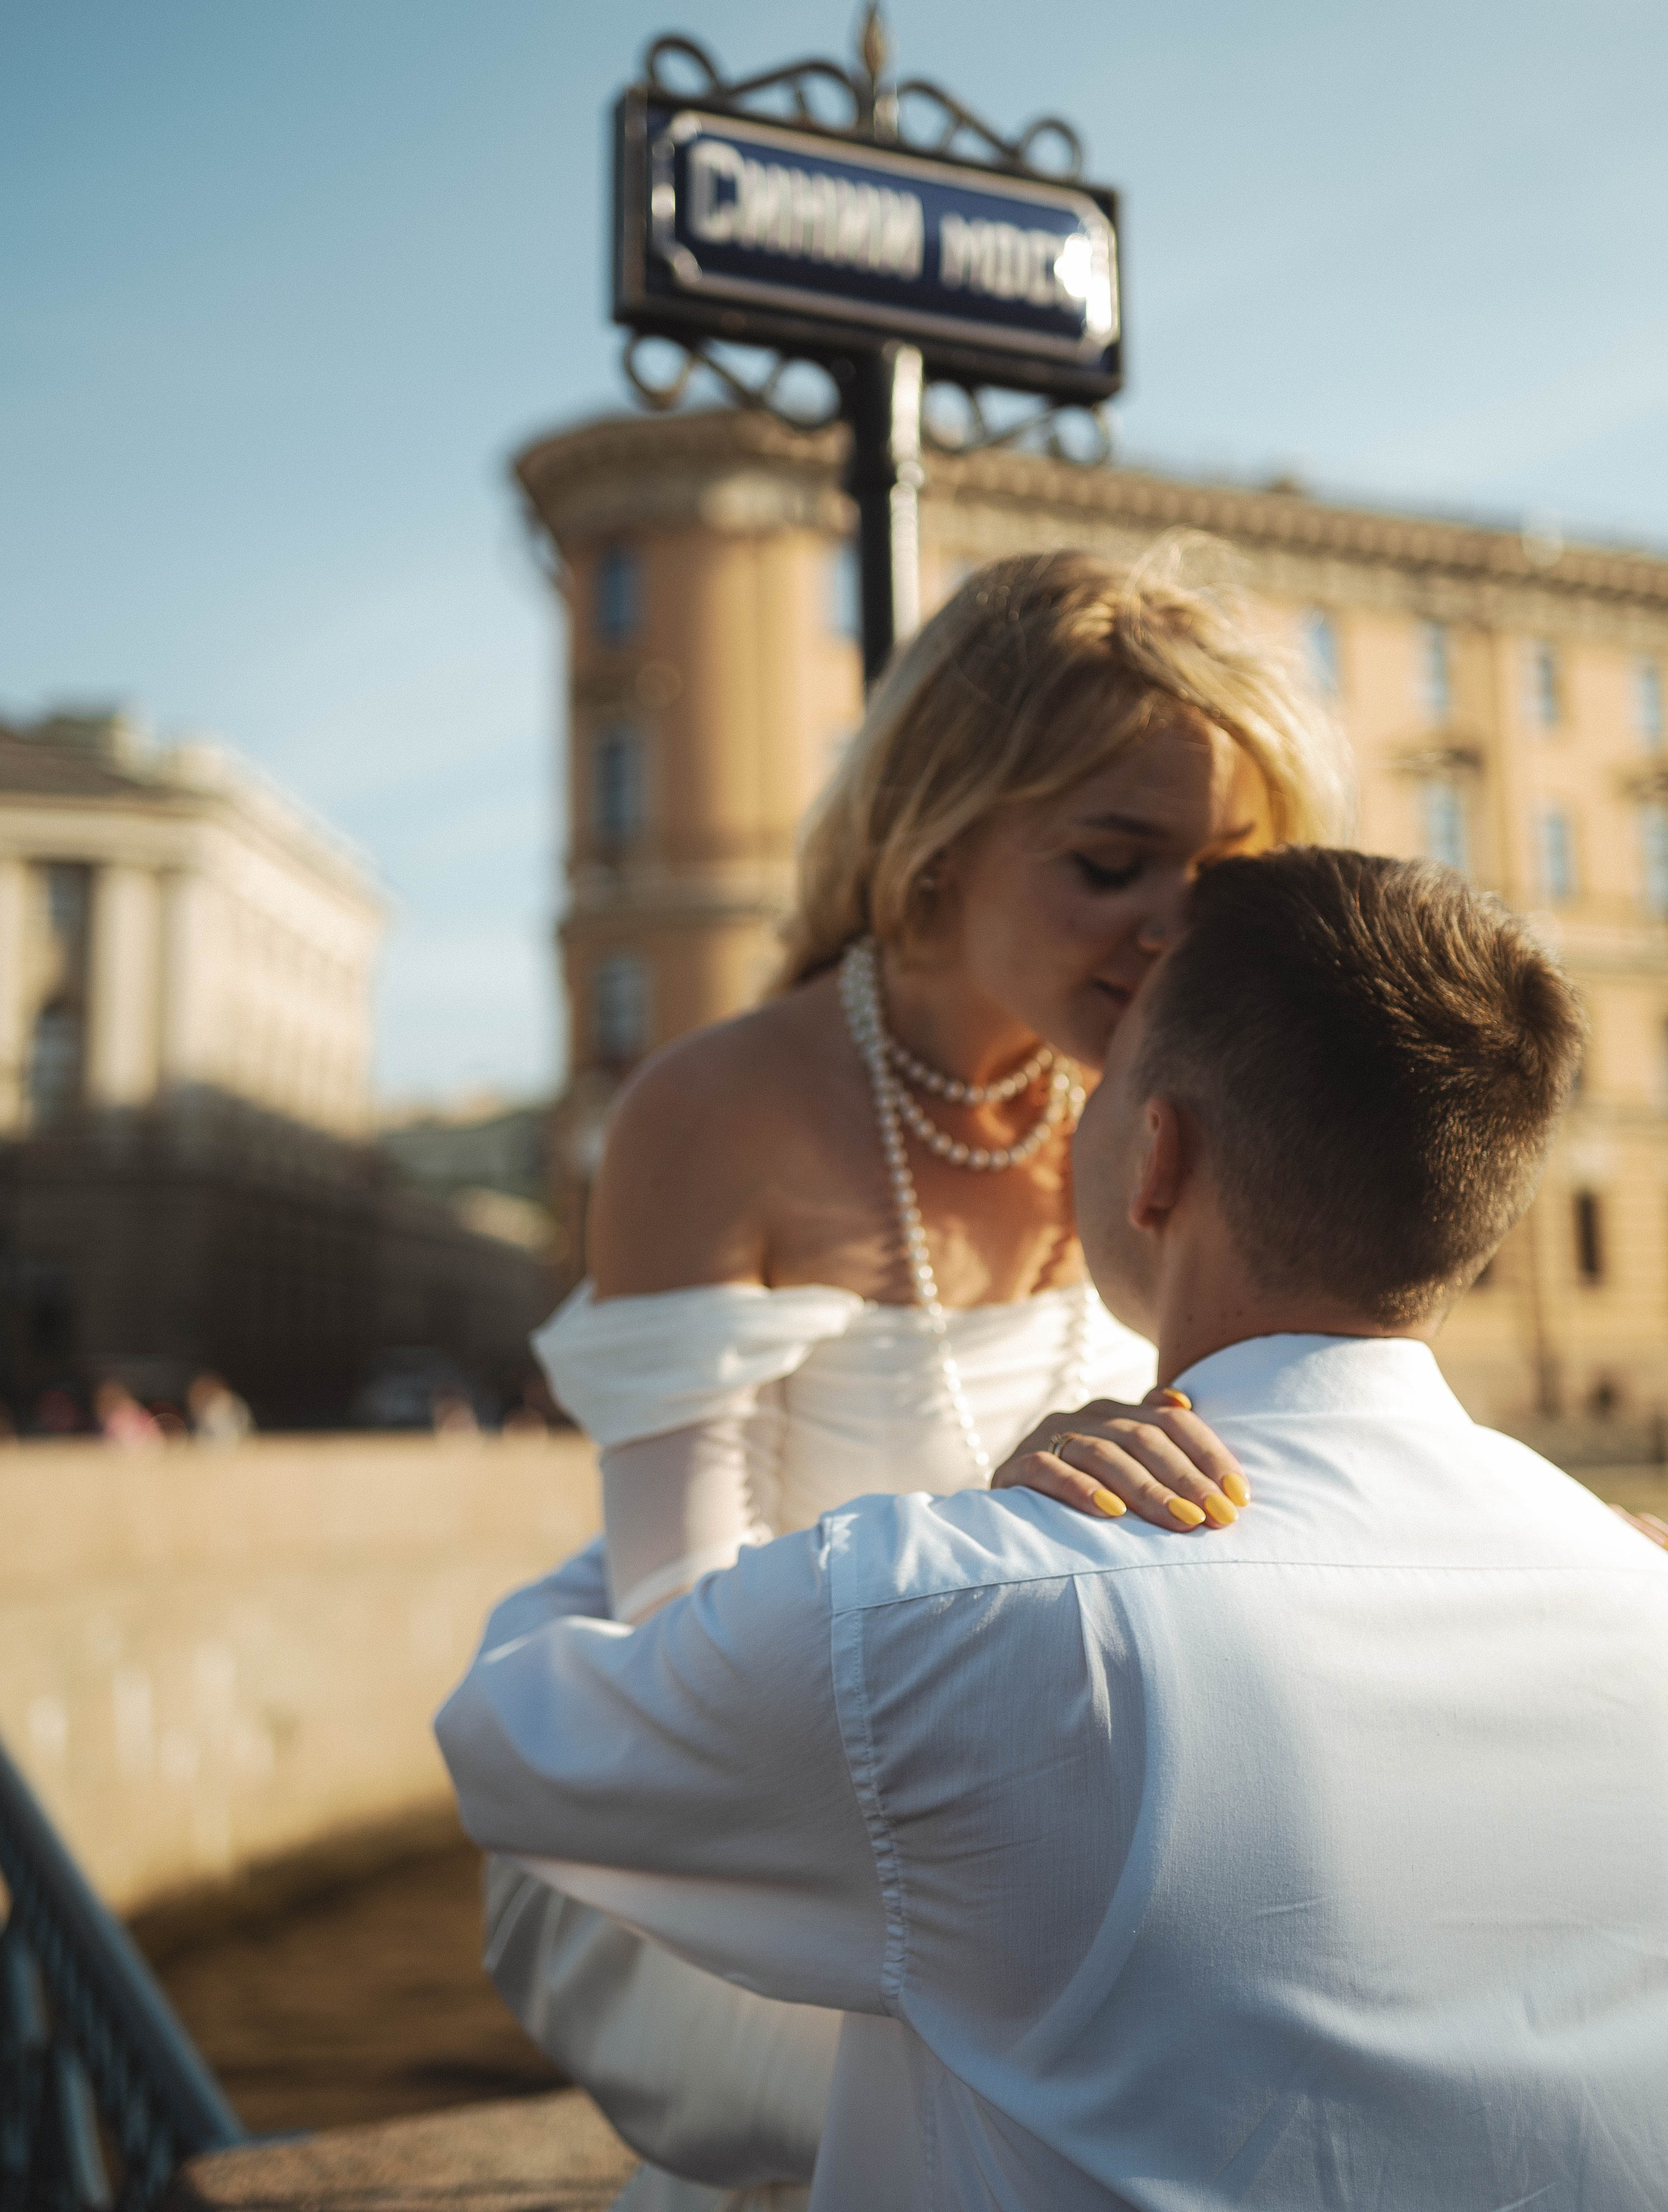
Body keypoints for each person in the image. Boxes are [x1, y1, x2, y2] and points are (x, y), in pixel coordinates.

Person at [439, 849, 1668, 2209]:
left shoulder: (953, 1616)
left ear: (1156, 1159)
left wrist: (852, 1514)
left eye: (1104, 1078)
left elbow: (508, 1745)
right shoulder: (1640, 1595)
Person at [485, 551, 1347, 2207]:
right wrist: (989, 1536)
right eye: (1111, 864)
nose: (1174, 931)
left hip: (1099, 1829)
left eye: (1220, 877)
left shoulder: (1182, 1099)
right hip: (796, 1843)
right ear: (938, 839)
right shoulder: (714, 1110)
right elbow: (682, 1637)